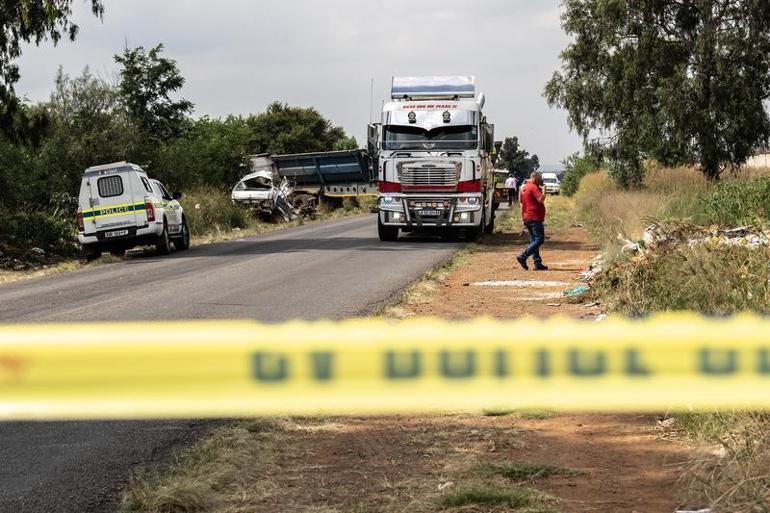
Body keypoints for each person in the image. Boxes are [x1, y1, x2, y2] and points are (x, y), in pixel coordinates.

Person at [517, 171, 548, 271]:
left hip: (527, 217)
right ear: (535, 178)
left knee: (534, 240)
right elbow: (541, 199)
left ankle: (537, 262)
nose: (541, 181)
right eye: (540, 178)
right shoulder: (533, 187)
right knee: (540, 239)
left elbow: (521, 204)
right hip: (535, 218)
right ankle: (523, 256)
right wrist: (544, 190)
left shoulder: (524, 187)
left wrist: (523, 218)